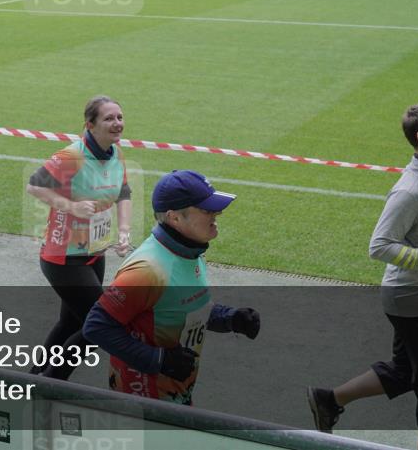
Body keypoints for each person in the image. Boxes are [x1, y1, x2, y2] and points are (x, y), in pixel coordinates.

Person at [306, 102, 418, 450]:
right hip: (416, 302)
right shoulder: (411, 189)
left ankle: (329, 399)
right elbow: (379, 246)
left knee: (406, 370)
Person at [82, 170, 260, 404]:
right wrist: (159, 360)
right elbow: (96, 327)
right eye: (207, 209)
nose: (218, 213)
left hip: (175, 392)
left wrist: (230, 318)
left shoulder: (190, 251)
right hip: (143, 399)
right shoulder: (147, 270)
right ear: (175, 218)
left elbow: (182, 309)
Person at [26, 95, 133, 379]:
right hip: (63, 258)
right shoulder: (71, 157)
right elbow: (34, 186)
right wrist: (71, 206)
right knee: (102, 324)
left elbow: (123, 192)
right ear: (90, 124)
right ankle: (51, 383)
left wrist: (123, 231)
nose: (117, 123)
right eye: (109, 118)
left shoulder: (116, 153)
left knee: (70, 324)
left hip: (93, 254)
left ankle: (30, 379)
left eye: (120, 117)